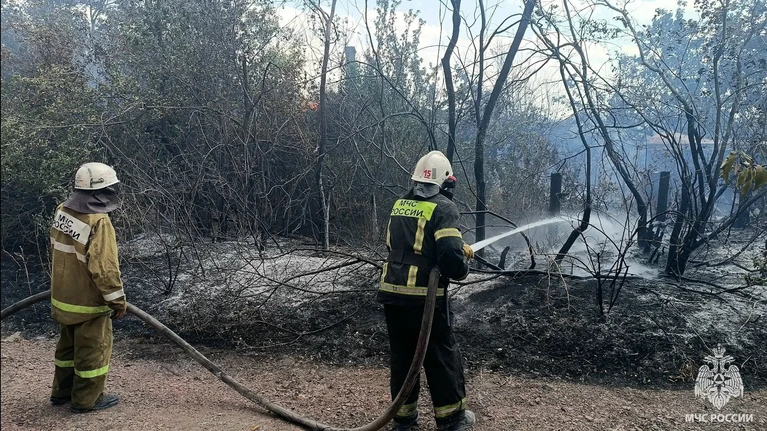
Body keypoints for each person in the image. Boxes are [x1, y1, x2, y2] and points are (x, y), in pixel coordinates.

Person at [378, 151, 476, 431]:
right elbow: (451, 260)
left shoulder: (399, 204)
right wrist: (463, 261)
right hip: (425, 297)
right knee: (441, 357)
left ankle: (404, 420)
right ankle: (453, 421)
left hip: (392, 294)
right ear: (445, 181)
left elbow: (397, 246)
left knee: (403, 358)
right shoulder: (444, 208)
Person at [49, 162, 126, 413]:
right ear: (104, 191)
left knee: (67, 349)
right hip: (88, 302)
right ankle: (86, 400)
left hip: (63, 296)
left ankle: (61, 392)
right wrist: (117, 301)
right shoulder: (99, 221)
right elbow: (104, 268)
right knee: (92, 351)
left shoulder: (62, 210)